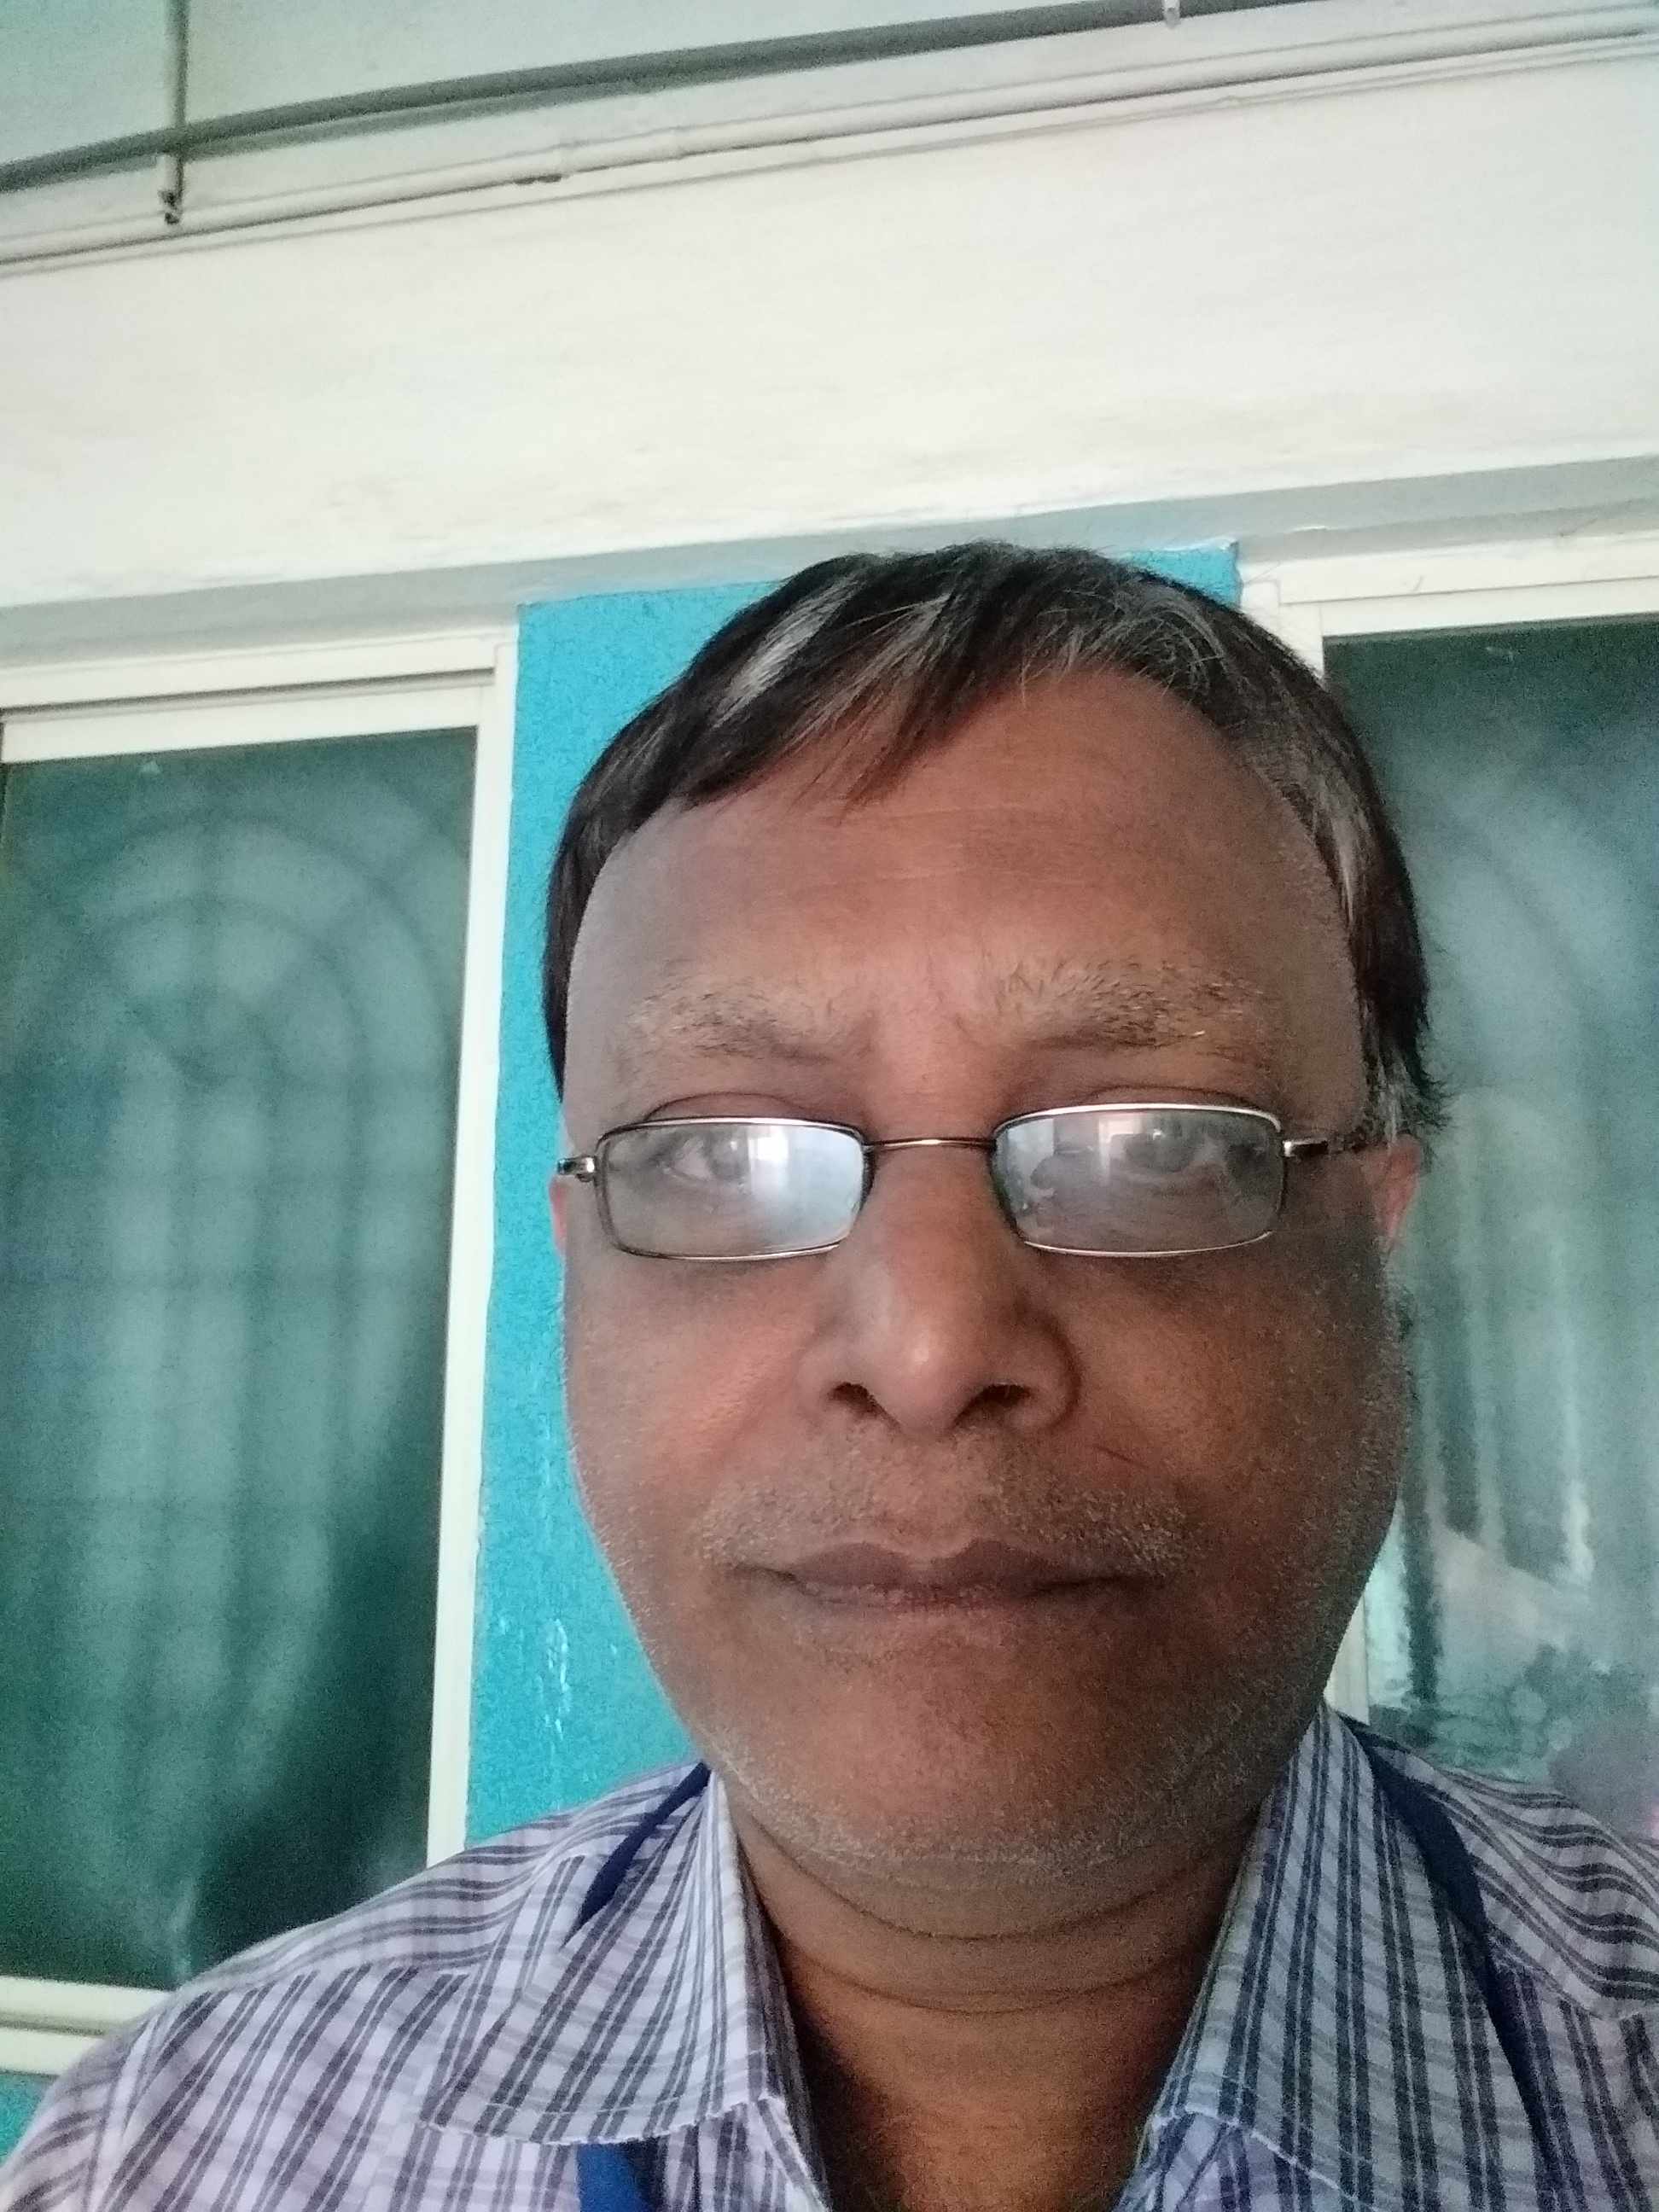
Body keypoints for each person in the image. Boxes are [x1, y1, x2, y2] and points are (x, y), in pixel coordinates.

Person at [7, 544, 1658, 2212]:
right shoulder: (177, 2151)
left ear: (1377, 1241)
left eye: (1152, 1145)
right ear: (579, 1273)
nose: (929, 1351)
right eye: (719, 1156)